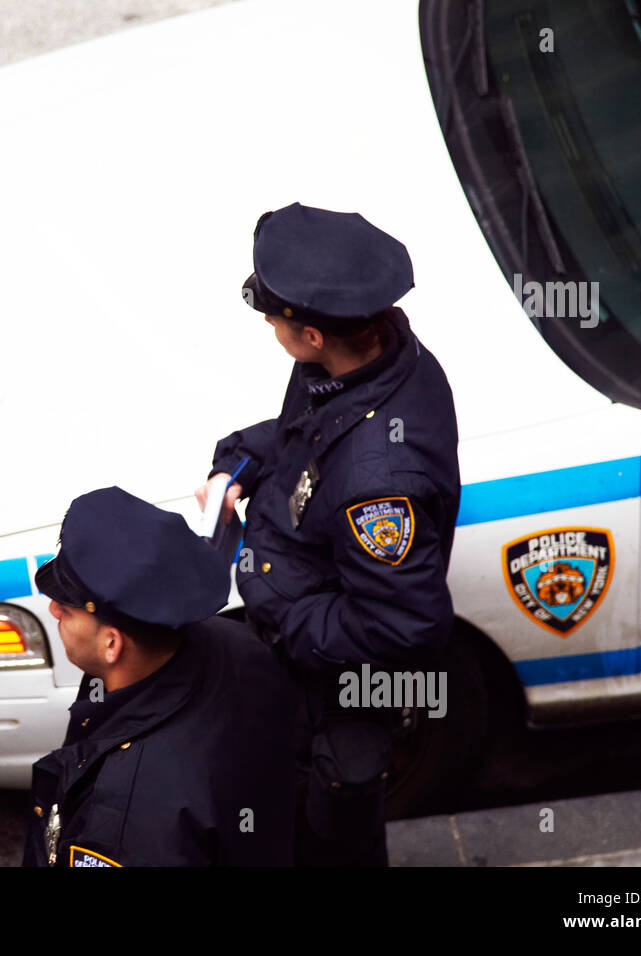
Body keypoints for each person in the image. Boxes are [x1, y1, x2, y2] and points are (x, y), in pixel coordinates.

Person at [199, 203, 461, 867]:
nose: (267, 321)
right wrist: (241, 462)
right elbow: (312, 431)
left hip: (328, 687)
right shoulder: (368, 354)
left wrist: (282, 616)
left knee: (321, 839)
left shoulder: (381, 486)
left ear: (312, 334)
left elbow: (404, 624)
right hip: (300, 657)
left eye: (275, 316)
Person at [23, 487, 295, 867]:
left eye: (67, 608)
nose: (53, 610)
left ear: (111, 644)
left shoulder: (123, 823)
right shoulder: (233, 642)